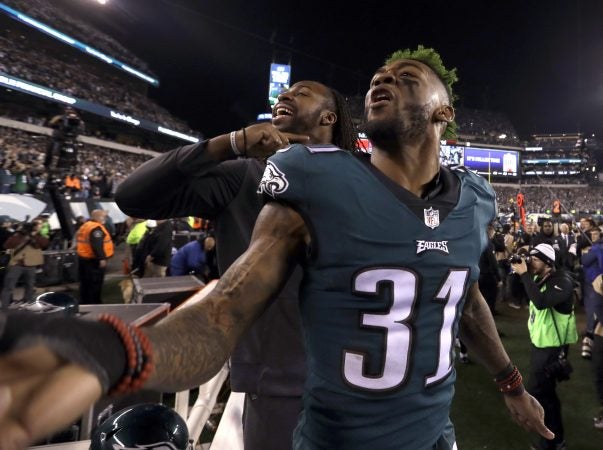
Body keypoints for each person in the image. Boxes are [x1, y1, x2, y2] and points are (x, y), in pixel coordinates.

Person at [0, 47, 553, 450]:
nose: (384, 79)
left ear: (444, 113)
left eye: (406, 77)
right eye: (379, 76)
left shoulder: (476, 199)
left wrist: (510, 384)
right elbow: (224, 311)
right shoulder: (313, 181)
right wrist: (120, 351)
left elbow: (464, 296)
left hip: (436, 435)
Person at [115, 79, 356, 450]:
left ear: (329, 116)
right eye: (285, 91)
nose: (285, 95)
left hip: (362, 383)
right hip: (280, 386)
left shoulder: (363, 183)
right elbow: (132, 196)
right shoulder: (246, 176)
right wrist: (229, 143)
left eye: (301, 91)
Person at [510, 243, 578, 450]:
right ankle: (556, 441)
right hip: (542, 345)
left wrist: (524, 275)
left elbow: (540, 302)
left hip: (552, 348)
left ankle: (551, 442)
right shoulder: (542, 277)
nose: (531, 263)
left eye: (535, 259)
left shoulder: (562, 281)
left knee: (540, 395)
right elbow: (525, 289)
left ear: (548, 263)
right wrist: (520, 270)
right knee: (546, 395)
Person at [0, 220, 49, 310]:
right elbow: (7, 245)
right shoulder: (18, 235)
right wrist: (21, 234)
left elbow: (44, 244)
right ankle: (4, 307)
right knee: (9, 286)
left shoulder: (38, 236)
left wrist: (33, 235)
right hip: (16, 264)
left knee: (30, 286)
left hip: (31, 265)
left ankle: (28, 305)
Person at [75, 209, 114, 305]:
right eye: (104, 216)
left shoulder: (86, 225)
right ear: (99, 217)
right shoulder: (96, 228)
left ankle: (85, 301)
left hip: (84, 258)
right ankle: (94, 303)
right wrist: (102, 258)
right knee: (95, 283)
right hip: (93, 261)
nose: (105, 218)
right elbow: (97, 245)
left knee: (85, 283)